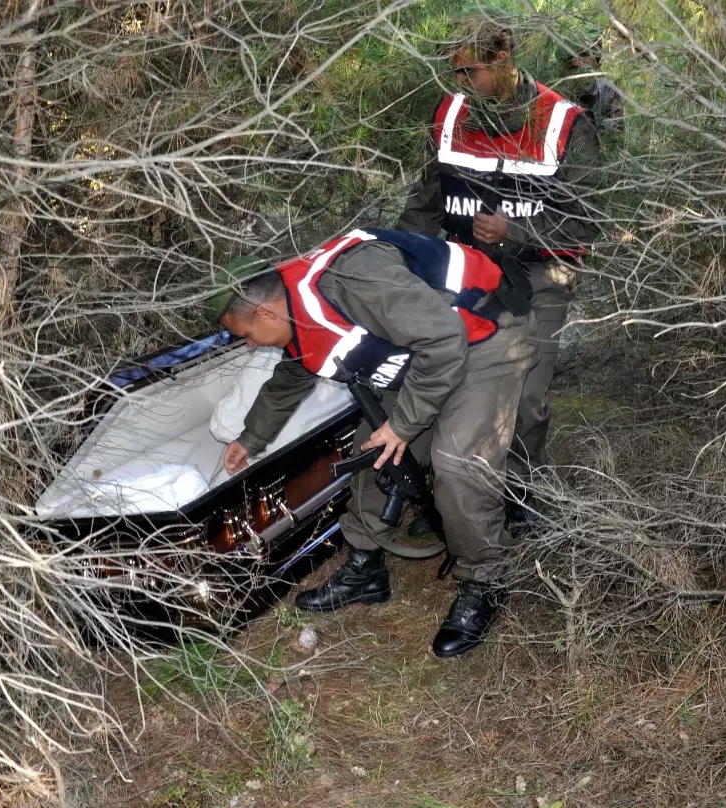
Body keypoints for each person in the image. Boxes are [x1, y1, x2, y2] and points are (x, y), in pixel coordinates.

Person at [202, 228, 536, 658]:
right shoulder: (295, 306)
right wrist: (251, 438)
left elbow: (445, 339)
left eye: (246, 335)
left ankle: (487, 576)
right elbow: (298, 369)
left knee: (456, 464)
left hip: (485, 338)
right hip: (426, 354)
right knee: (370, 453)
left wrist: (404, 424)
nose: (248, 345)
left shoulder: (354, 280)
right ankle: (366, 569)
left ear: (266, 313)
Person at [396, 19, 601, 527]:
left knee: (527, 395)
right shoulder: (449, 115)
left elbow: (584, 222)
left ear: (505, 61)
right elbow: (425, 203)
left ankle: (522, 490)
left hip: (540, 272)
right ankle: (458, 490)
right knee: (454, 376)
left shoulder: (564, 123)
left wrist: (515, 233)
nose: (461, 83)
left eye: (472, 71)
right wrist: (400, 258)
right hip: (465, 268)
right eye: (454, 72)